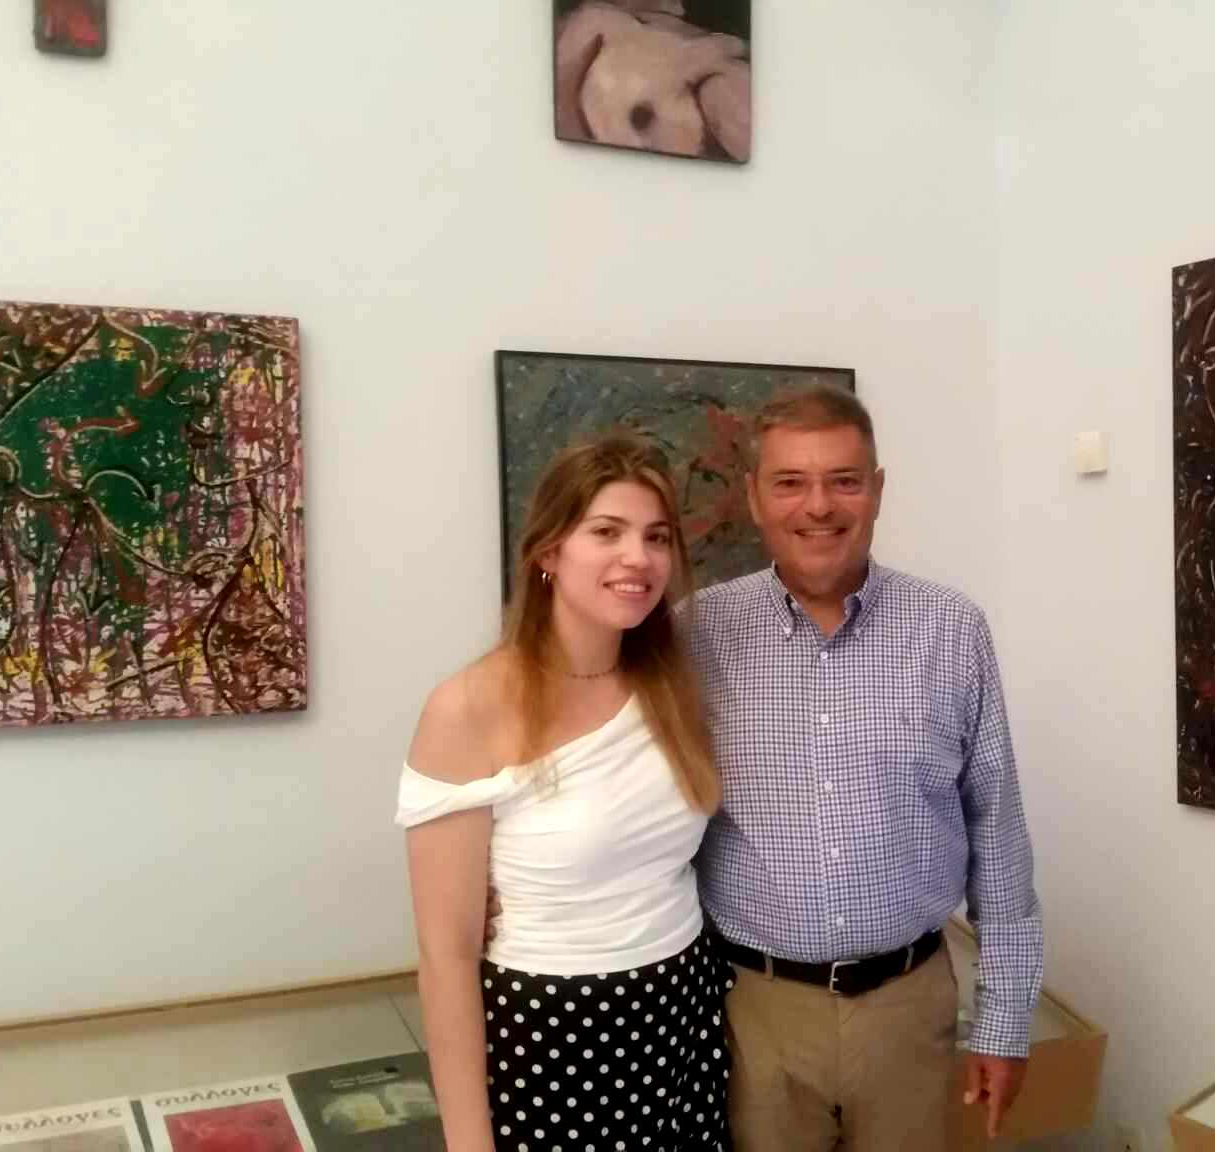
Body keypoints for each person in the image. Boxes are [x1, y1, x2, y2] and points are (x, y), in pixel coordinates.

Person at [690, 386, 1044, 1149]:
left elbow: (1000, 838)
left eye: (844, 480)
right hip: (753, 1017)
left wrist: (1005, 1023)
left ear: (877, 489)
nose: (818, 506)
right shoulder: (695, 635)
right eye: (790, 482)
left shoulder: (951, 630)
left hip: (908, 1012)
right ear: (753, 497)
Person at [398, 433, 732, 1152]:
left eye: (656, 537)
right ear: (549, 551)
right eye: (607, 532)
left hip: (683, 1018)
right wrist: (468, 1143)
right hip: (554, 1037)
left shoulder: (670, 684)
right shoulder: (467, 708)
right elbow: (446, 955)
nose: (638, 557)